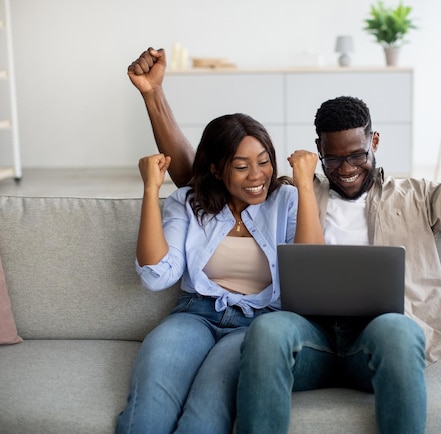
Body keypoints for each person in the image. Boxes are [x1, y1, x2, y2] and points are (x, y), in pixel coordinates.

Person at [128, 47, 441, 433]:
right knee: (267, 331)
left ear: (375, 143)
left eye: (357, 154)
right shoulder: (295, 194)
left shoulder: (417, 196)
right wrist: (154, 97)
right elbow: (202, 179)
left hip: (376, 337)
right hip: (310, 337)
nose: (347, 168)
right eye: (334, 159)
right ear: (318, 152)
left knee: (402, 331)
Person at [117, 52, 323, 434]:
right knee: (148, 412)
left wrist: (306, 185)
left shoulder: (287, 201)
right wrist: (150, 189)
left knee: (205, 415)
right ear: (215, 168)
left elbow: (311, 276)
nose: (258, 175)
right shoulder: (189, 202)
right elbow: (156, 276)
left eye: (264, 161)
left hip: (256, 325)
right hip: (194, 316)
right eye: (242, 167)